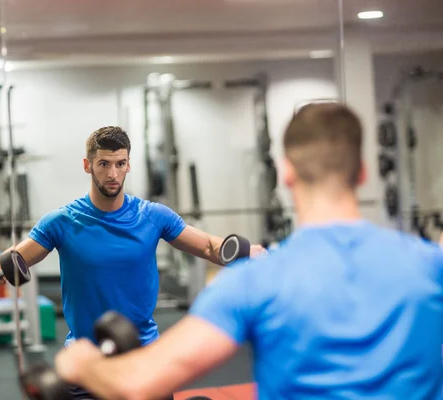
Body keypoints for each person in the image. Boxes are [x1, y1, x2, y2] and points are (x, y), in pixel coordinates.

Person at [53, 103, 443, 400]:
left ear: (286, 173)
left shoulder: (253, 284)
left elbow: (139, 383)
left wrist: (81, 364)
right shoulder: (430, 264)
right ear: (362, 172)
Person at [0, 126, 266, 399]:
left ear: (128, 164)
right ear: (88, 165)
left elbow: (210, 246)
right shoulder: (62, 222)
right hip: (87, 362)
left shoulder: (153, 216)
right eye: (104, 164)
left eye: (120, 163)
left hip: (144, 358)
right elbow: (17, 257)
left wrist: (247, 252)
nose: (113, 173)